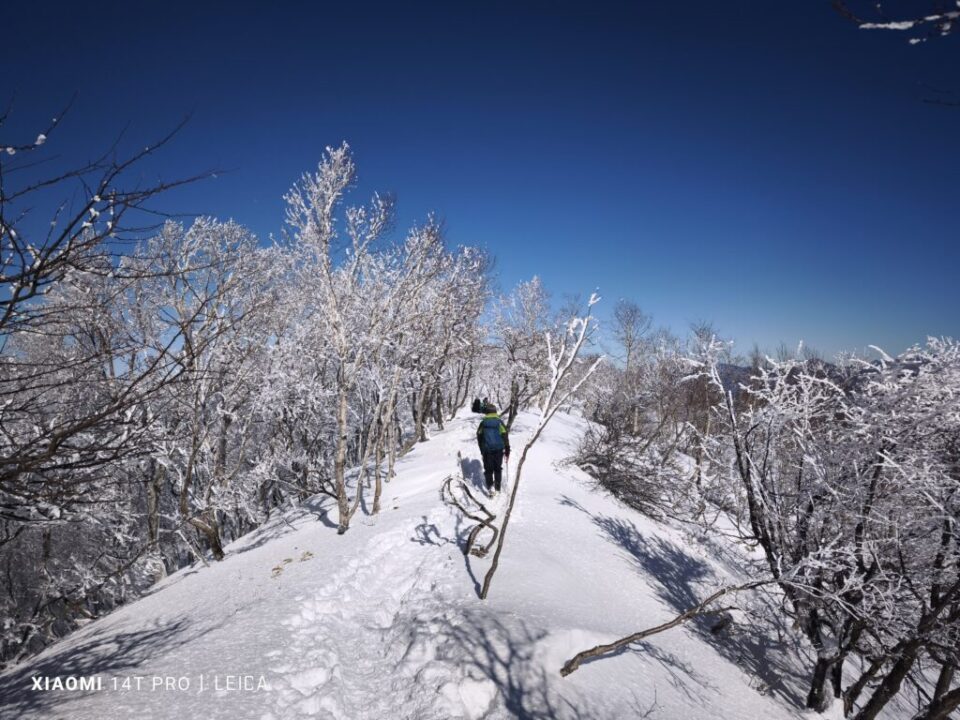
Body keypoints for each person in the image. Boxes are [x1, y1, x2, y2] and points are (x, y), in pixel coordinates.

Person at [476, 402, 510, 493]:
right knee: (498, 468)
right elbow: (505, 435)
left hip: (487, 450)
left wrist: (482, 449)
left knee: (488, 469)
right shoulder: (499, 422)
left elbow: (479, 436)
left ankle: (490, 486)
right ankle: (498, 487)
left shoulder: (483, 423)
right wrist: (507, 448)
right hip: (499, 449)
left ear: (486, 413)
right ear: (495, 412)